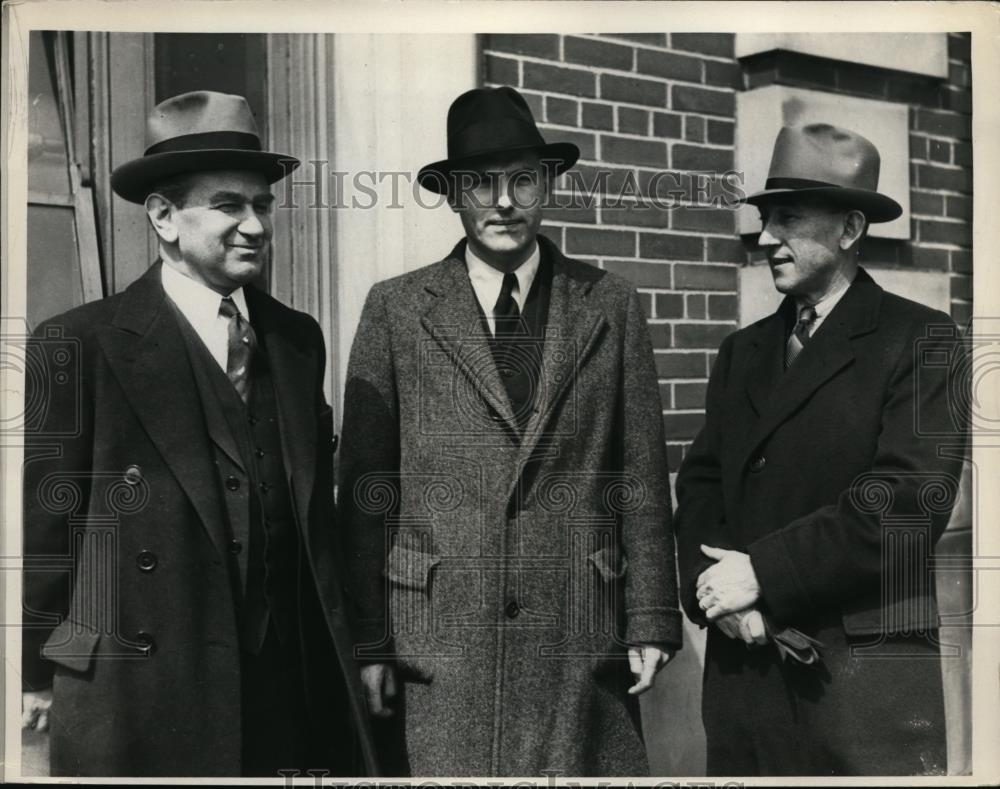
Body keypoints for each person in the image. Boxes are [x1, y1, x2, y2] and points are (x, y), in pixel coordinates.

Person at [20, 91, 377, 777]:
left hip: (288, 686)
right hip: (146, 687)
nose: (254, 225)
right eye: (228, 205)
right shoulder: (80, 344)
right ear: (163, 217)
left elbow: (317, 525)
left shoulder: (296, 341)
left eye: (262, 205)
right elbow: (46, 524)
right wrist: (38, 671)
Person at [338, 86, 681, 777]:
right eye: (480, 182)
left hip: (577, 633)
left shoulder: (611, 305)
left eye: (522, 180)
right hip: (440, 641)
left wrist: (649, 618)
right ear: (452, 194)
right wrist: (371, 642)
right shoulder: (397, 309)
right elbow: (365, 494)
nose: (502, 201)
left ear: (548, 184)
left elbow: (640, 476)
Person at [675, 123, 968, 775]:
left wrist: (762, 575)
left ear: (849, 229)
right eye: (764, 218)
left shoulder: (920, 339)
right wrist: (715, 597)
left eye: (789, 219)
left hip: (859, 686)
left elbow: (907, 503)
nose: (765, 238)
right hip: (745, 677)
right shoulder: (741, 352)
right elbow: (698, 487)